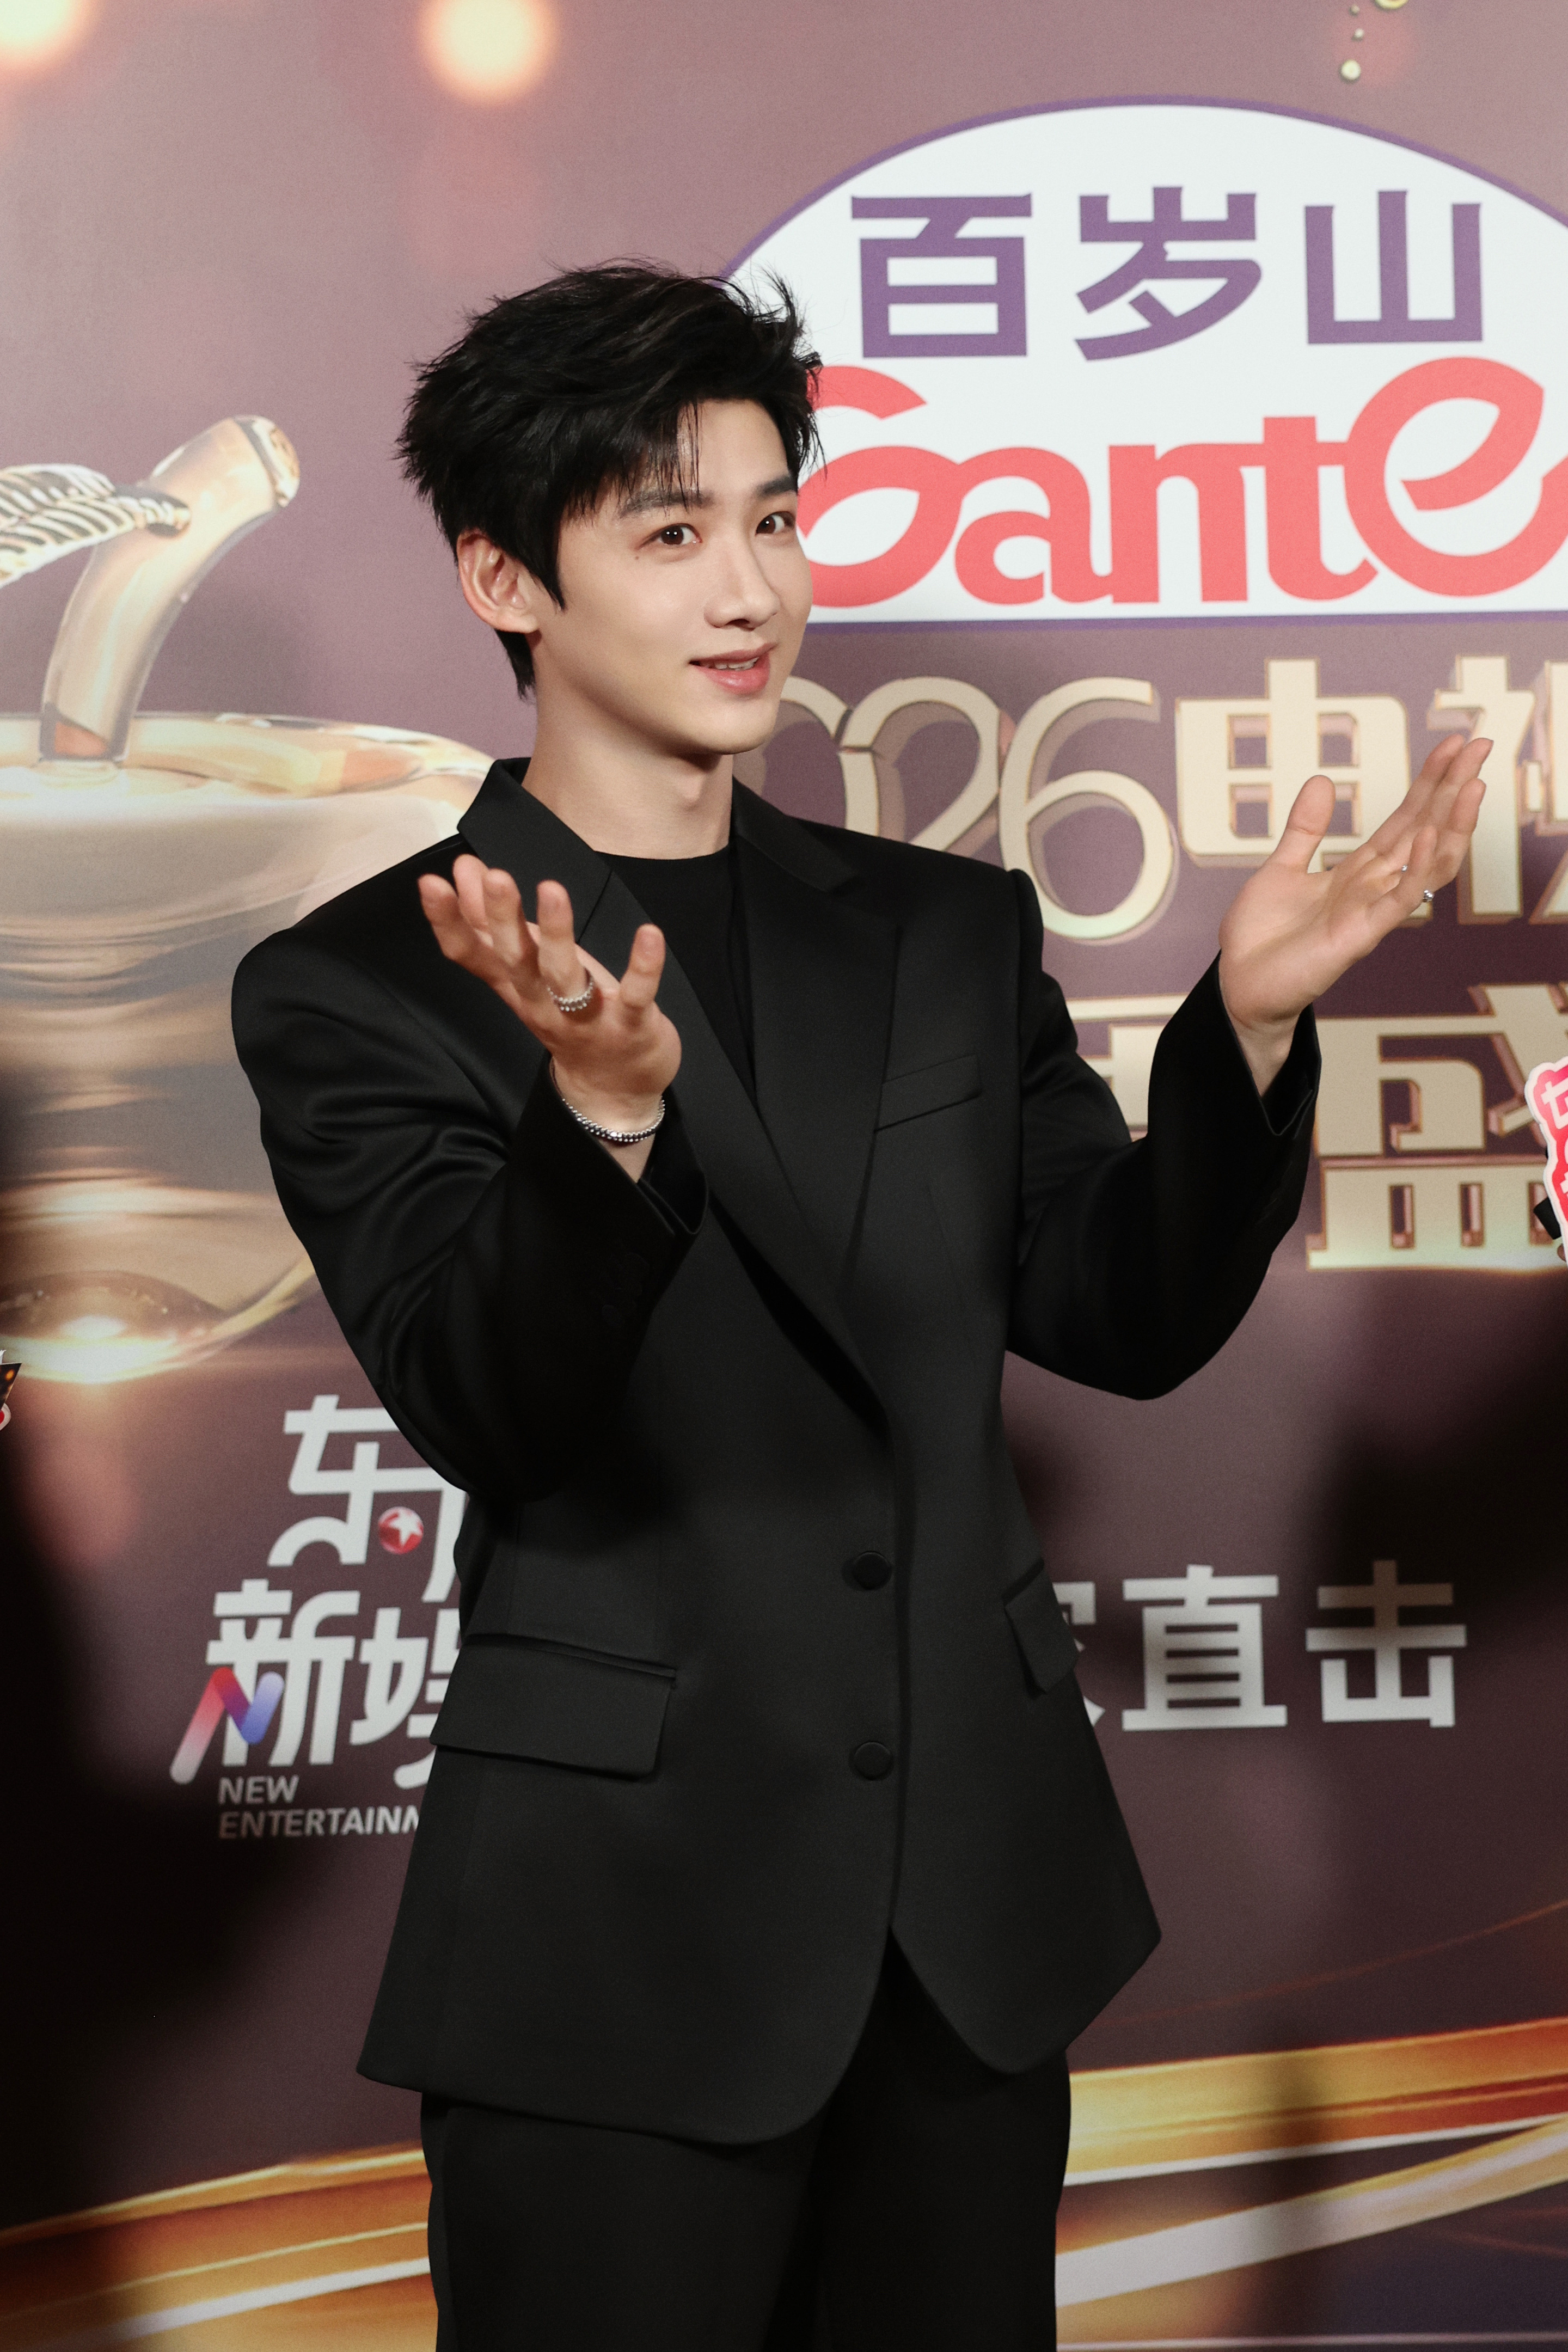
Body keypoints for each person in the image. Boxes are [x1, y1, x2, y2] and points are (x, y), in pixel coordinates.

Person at [231, 264, 1486, 2350]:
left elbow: (1119, 1308)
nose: (750, 591)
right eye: (670, 532)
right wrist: (602, 1124)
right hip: (619, 1942)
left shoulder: (940, 931)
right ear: (502, 578)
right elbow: (489, 1403)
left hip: (963, 1924)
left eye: (776, 518)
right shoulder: (367, 982)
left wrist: (1248, 1032)